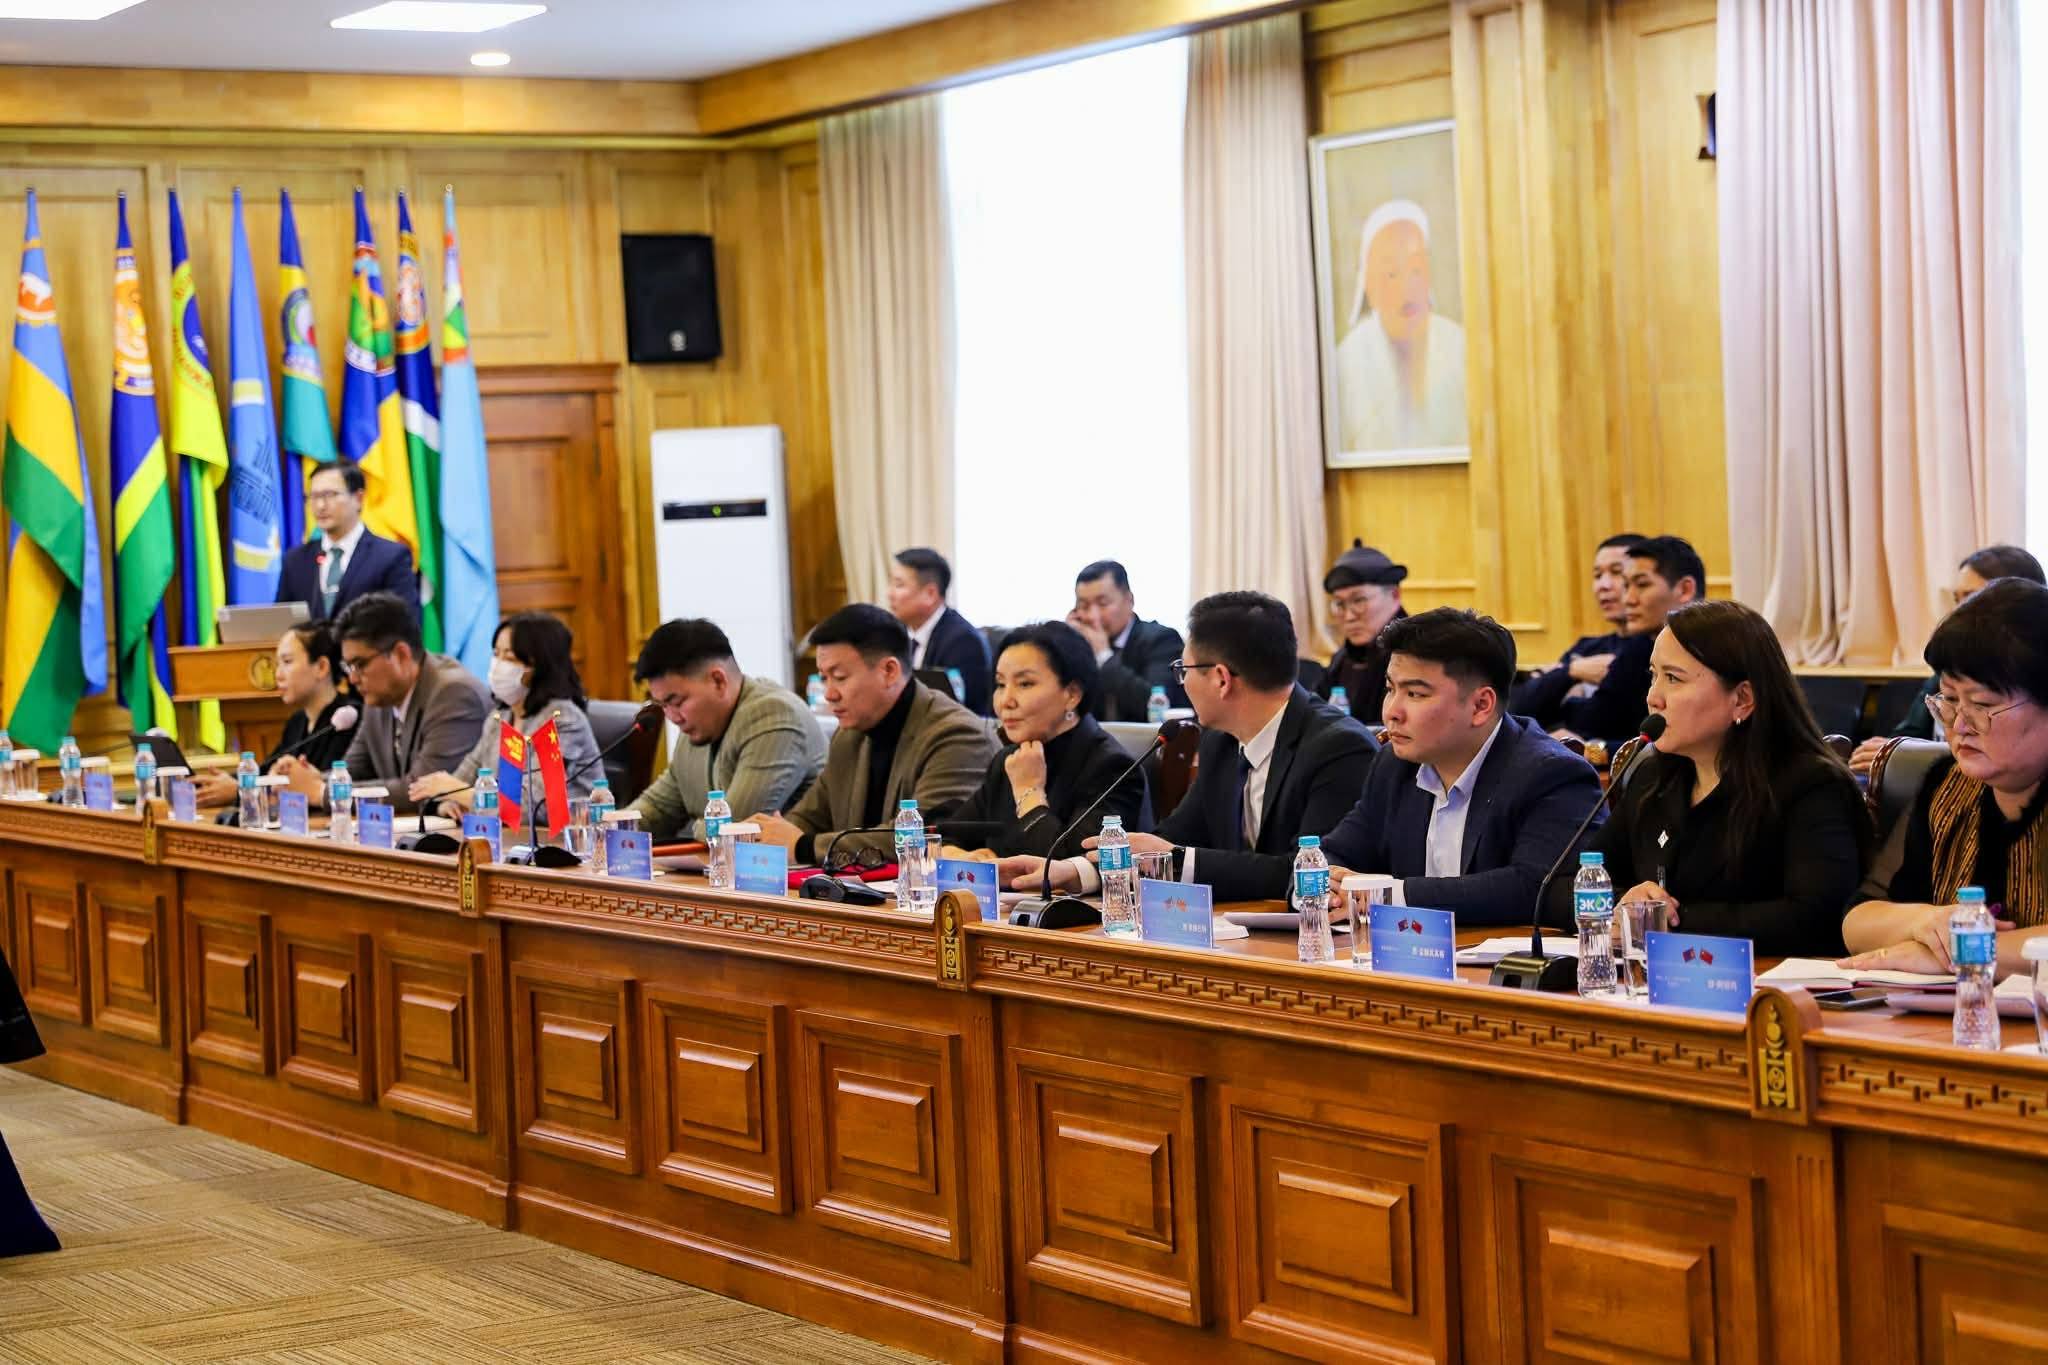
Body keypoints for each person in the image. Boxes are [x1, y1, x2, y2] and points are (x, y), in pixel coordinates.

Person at [1000, 592, 1376, 903]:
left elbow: (1310, 870)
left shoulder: (1339, 749)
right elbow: (1174, 838)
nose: (1182, 683)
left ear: (1221, 679)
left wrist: (1175, 859)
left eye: (1184, 670)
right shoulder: (1220, 741)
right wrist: (1076, 871)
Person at [1543, 599, 1871, 955]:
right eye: (1653, 675)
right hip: (1659, 977)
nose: (1653, 697)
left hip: (1766, 982)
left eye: (1673, 678)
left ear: (1742, 699)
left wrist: (1662, 920)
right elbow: (1559, 887)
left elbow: (1818, 919)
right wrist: (1626, 903)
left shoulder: (1812, 785)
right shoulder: (1652, 777)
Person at [1318, 609, 1603, 922]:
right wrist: (1327, 888)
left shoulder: (1552, 774)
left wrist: (1387, 895)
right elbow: (1333, 853)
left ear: (1481, 706)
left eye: (1415, 693)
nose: (1391, 712)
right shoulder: (1394, 765)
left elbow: (1533, 887)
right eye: (1390, 689)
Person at [1842, 578, 2048, 975]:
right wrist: (1924, 922)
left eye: (1982, 704)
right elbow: (1858, 921)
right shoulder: (1947, 789)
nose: (1959, 725)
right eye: (1950, 700)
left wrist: (1963, 952)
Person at [748, 605, 996, 865]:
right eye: (823, 678)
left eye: (839, 677)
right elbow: (808, 817)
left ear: (889, 671)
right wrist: (771, 835)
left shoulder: (958, 736)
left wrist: (803, 846)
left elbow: (924, 838)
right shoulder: (848, 736)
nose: (829, 694)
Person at [942, 622, 1151, 861]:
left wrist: (1029, 793)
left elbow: (1074, 867)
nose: (1005, 701)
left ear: (1072, 694)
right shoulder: (1010, 759)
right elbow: (946, 837)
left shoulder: (1112, 768)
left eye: (1025, 684)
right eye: (1000, 684)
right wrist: (966, 858)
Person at [276, 590, 488, 814]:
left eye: (360, 664)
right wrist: (308, 779)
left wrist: (320, 792)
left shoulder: (454, 694)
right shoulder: (378, 699)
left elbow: (423, 789)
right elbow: (354, 771)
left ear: (401, 654)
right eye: (348, 667)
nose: (352, 678)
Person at [1848, 545, 2048, 776]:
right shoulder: (1948, 673)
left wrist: (1925, 755)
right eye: (1957, 599)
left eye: (1973, 598)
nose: (1959, 611)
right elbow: (1906, 734)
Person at [626, 618, 827, 842]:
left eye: (677, 702)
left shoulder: (775, 716)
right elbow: (658, 807)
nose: (672, 717)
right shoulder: (697, 728)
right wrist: (614, 828)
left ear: (718, 681)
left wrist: (697, 828)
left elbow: (733, 829)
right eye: (663, 705)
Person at [407, 613, 601, 829]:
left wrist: (458, 793)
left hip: (565, 842)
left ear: (540, 665)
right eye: (496, 654)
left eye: (509, 658)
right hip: (507, 840)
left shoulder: (562, 720)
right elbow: (461, 780)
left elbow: (531, 808)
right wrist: (448, 803)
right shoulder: (498, 719)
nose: (498, 665)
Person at [1331, 199, 1468, 455]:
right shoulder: (1345, 364)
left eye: (1416, 270)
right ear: (1368, 285)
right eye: (1392, 274)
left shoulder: (1461, 348)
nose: (1407, 288)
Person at [193, 621, 356, 806]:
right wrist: (230, 783)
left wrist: (239, 791)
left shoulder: (349, 719)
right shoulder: (297, 721)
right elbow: (266, 770)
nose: (278, 675)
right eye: (278, 664)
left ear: (321, 667)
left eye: (287, 662)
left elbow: (324, 785)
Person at [1507, 532, 1645, 742]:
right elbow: (1517, 709)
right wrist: (1571, 671)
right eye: (1597, 575)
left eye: (1617, 573)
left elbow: (1603, 721)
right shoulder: (1586, 648)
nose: (1603, 585)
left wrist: (1568, 700)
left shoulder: (1654, 648)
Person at [275, 460, 419, 623]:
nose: (320, 506)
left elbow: (405, 624)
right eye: (313, 497)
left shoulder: (390, 557)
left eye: (330, 495)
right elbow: (280, 625)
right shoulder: (295, 560)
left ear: (358, 498)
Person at [1067, 560, 1186, 721]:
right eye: (1084, 606)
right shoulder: (1081, 646)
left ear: (1129, 600)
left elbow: (1155, 707)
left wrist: (1103, 656)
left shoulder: (1162, 640)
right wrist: (1066, 646)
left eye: (1102, 603)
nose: (1092, 616)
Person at [887, 547, 993, 714]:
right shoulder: (898, 633)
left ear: (930, 594)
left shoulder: (963, 641)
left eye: (899, 585)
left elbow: (960, 710)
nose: (889, 594)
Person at [1316, 539, 1407, 724]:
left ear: (1394, 595)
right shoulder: (1342, 659)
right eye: (1339, 604)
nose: (1349, 616)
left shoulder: (1413, 656)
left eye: (1358, 601)